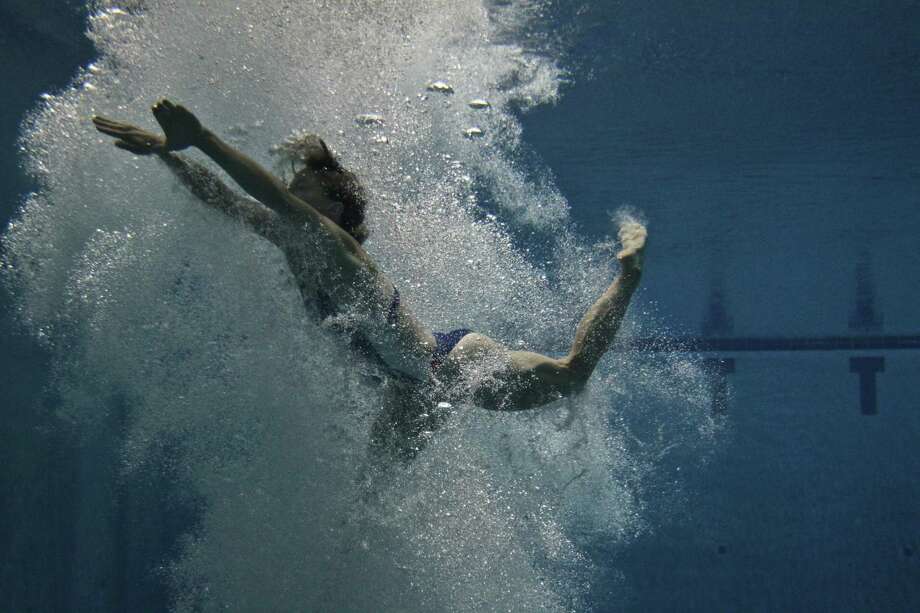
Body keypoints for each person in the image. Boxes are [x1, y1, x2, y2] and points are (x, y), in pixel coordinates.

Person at [92, 100, 646, 454]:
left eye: (306, 186)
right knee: (368, 515)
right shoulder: (293, 241)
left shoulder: (337, 247)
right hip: (411, 389)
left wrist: (205, 139)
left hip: (453, 364)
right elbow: (227, 201)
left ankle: (627, 276)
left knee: (572, 375)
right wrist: (166, 155)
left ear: (334, 208)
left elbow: (266, 196)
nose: (293, 190)